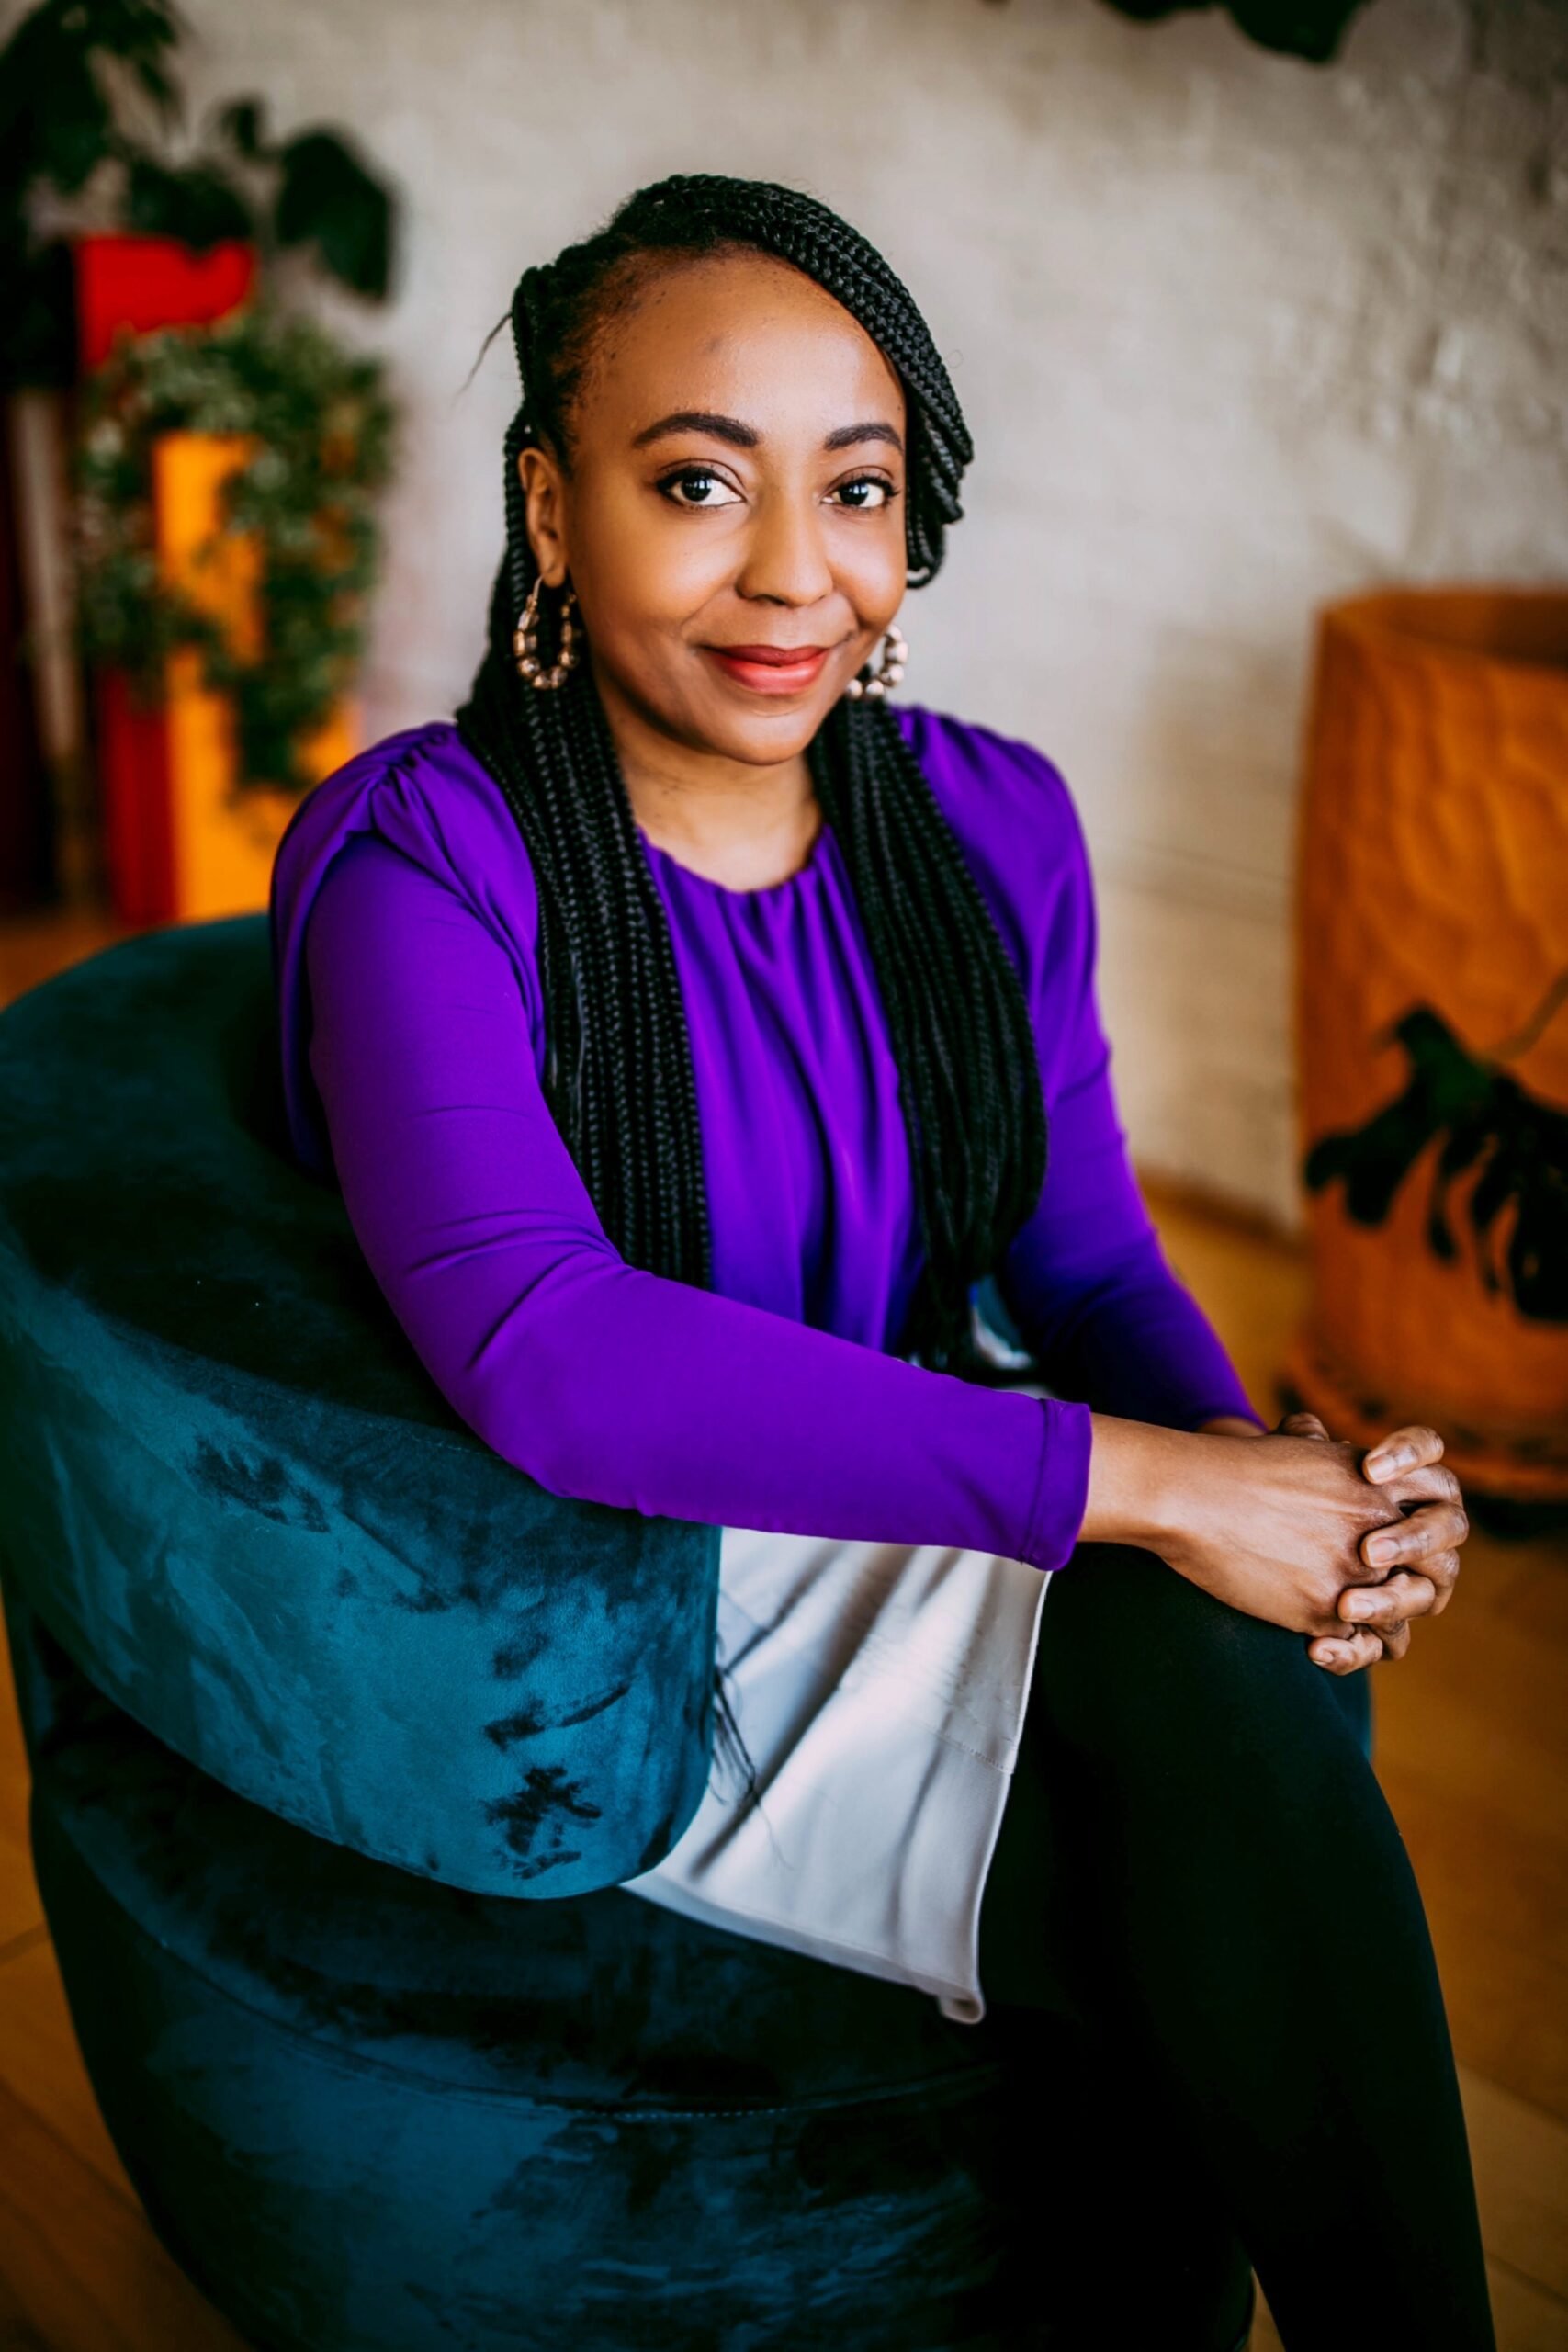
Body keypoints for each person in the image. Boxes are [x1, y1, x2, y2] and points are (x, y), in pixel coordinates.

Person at [268, 174, 1493, 2349]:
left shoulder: (987, 821)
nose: (787, 573)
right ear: (549, 508)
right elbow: (549, 1354)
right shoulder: (427, 859)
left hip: (930, 1514)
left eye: (854, 488)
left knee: (1232, 1716)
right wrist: (1159, 1486)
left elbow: (1087, 1258)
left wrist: (1285, 1486)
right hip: (622, 1628)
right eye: (692, 483)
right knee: (1222, 1872)